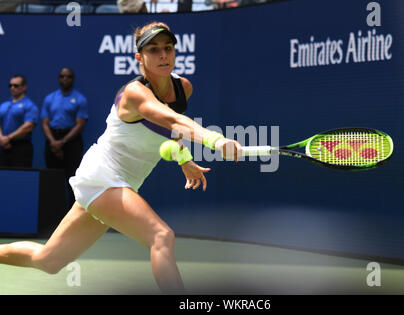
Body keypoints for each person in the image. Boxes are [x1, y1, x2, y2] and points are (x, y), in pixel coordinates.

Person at [0, 21, 242, 294]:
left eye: (168, 48)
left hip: (121, 184)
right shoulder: (134, 93)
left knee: (48, 261)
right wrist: (215, 140)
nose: (163, 55)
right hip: (103, 176)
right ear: (139, 58)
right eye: (153, 49)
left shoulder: (183, 88)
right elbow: (171, 118)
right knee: (161, 236)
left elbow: (169, 131)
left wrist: (184, 159)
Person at [41, 67, 88, 205]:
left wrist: (62, 142)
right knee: (52, 178)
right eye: (62, 76)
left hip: (71, 140)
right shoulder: (50, 98)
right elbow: (44, 123)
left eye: (68, 76)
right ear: (58, 78)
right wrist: (53, 142)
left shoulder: (80, 99)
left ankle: (71, 213)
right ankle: (53, 213)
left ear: (72, 79)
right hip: (52, 139)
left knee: (72, 178)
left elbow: (80, 124)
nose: (64, 79)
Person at [0, 74, 39, 168]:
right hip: (3, 145)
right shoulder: (4, 105)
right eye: (10, 85)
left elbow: (28, 126)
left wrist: (8, 138)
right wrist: (1, 138)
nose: (12, 88)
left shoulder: (29, 106)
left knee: (20, 178)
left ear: (24, 87)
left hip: (20, 147)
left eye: (16, 85)